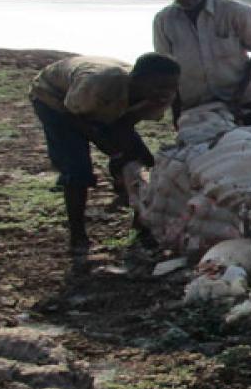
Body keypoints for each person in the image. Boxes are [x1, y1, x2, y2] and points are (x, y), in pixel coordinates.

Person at [30, 53, 180, 261]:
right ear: (138, 79)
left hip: (100, 103)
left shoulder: (159, 95)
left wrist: (121, 155)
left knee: (145, 161)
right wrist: (111, 148)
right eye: (160, 87)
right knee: (77, 169)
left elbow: (125, 123)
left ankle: (142, 222)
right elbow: (75, 118)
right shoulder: (99, 83)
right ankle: (78, 237)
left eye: (171, 87)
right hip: (57, 101)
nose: (165, 94)